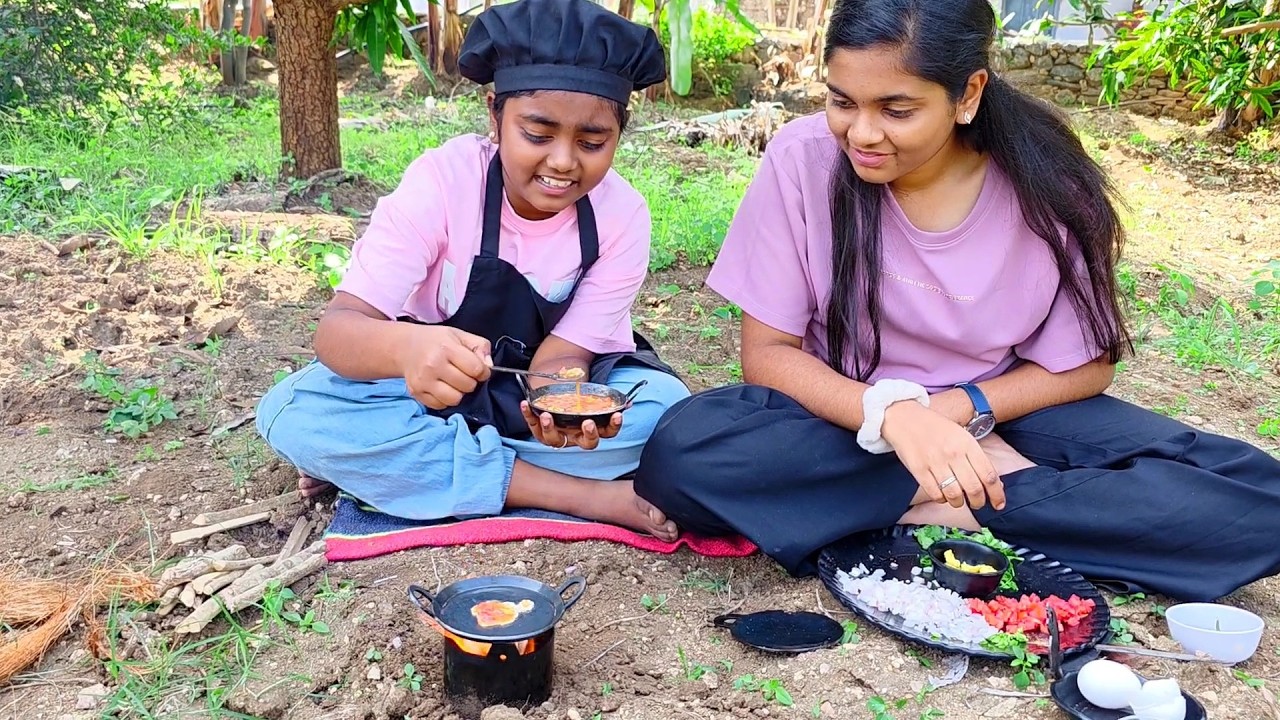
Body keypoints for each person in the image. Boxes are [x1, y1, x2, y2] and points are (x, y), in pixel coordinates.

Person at [634, 0, 1280, 601]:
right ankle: (965, 493)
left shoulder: (1047, 185)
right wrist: (899, 421)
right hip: (842, 420)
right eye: (840, 101)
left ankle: (954, 494)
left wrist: (961, 411)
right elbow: (769, 355)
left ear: (967, 94)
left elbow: (1088, 366)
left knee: (1262, 502)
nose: (861, 133)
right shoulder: (803, 160)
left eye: (896, 109)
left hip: (999, 410)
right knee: (684, 450)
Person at [256, 0, 689, 540]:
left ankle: (412, 467)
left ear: (618, 134)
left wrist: (560, 406)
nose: (562, 161)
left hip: (518, 398)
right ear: (494, 115)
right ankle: (575, 493)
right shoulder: (441, 183)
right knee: (293, 410)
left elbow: (564, 357)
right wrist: (406, 349)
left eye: (593, 142)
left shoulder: (623, 216)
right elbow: (337, 331)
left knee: (668, 417)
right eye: (537, 134)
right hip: (422, 393)